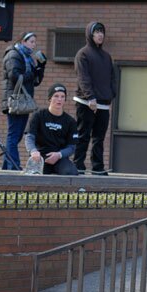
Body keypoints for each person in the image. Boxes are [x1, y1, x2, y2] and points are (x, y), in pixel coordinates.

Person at [73, 22, 117, 176]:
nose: (100, 35)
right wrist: (90, 97)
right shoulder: (83, 54)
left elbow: (112, 77)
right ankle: (78, 165)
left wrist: (112, 94)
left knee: (99, 138)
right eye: (97, 32)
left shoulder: (106, 56)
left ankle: (97, 167)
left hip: (103, 104)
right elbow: (83, 78)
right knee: (83, 135)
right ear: (90, 35)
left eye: (102, 32)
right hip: (86, 102)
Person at [1, 31, 46, 170]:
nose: (34, 45)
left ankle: (7, 166)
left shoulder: (27, 58)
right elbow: (14, 76)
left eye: (35, 42)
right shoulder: (14, 54)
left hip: (24, 101)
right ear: (23, 41)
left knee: (17, 135)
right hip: (15, 101)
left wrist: (40, 67)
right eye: (31, 41)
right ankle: (14, 166)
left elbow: (35, 81)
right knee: (14, 134)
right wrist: (31, 74)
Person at [24, 83, 79, 176]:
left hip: (59, 158)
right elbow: (29, 137)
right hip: (40, 157)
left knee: (71, 172)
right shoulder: (38, 115)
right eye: (56, 96)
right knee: (33, 175)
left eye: (62, 96)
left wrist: (59, 155)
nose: (59, 99)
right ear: (50, 98)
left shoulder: (70, 121)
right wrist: (33, 151)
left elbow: (72, 147)